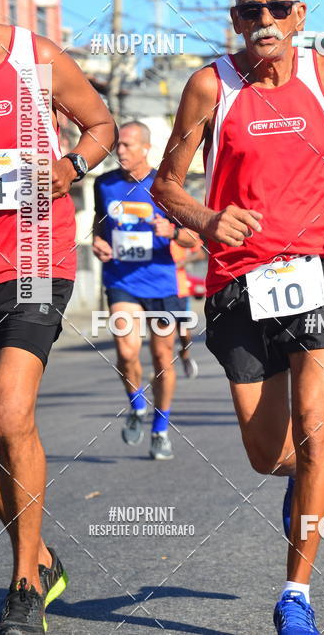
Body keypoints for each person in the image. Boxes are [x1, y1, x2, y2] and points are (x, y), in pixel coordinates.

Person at [152, 0, 324, 635]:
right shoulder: (210, 86)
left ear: (300, 15)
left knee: (318, 431)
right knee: (270, 455)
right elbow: (166, 183)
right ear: (234, 21)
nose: (266, 20)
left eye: (278, 8)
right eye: (251, 11)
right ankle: (300, 477)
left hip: (323, 269)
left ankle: (297, 594)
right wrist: (204, 219)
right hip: (239, 285)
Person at [0, 0, 116, 634]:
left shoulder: (34, 60)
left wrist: (73, 164)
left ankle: (21, 585)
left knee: (11, 416)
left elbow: (101, 124)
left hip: (34, 257)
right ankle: (41, 555)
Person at [92, 121, 196, 461]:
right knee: (126, 351)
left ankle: (161, 428)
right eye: (118, 145)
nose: (119, 151)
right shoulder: (105, 185)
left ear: (146, 149)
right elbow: (99, 226)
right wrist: (97, 242)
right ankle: (137, 405)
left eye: (127, 146)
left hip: (162, 283)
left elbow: (193, 238)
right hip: (121, 280)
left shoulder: (165, 187)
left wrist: (171, 231)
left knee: (163, 359)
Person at [171, 236, 206, 377]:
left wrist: (182, 262)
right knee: (165, 333)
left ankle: (184, 353)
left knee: (184, 331)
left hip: (180, 289)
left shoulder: (179, 230)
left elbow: (200, 253)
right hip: (156, 289)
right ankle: (163, 370)